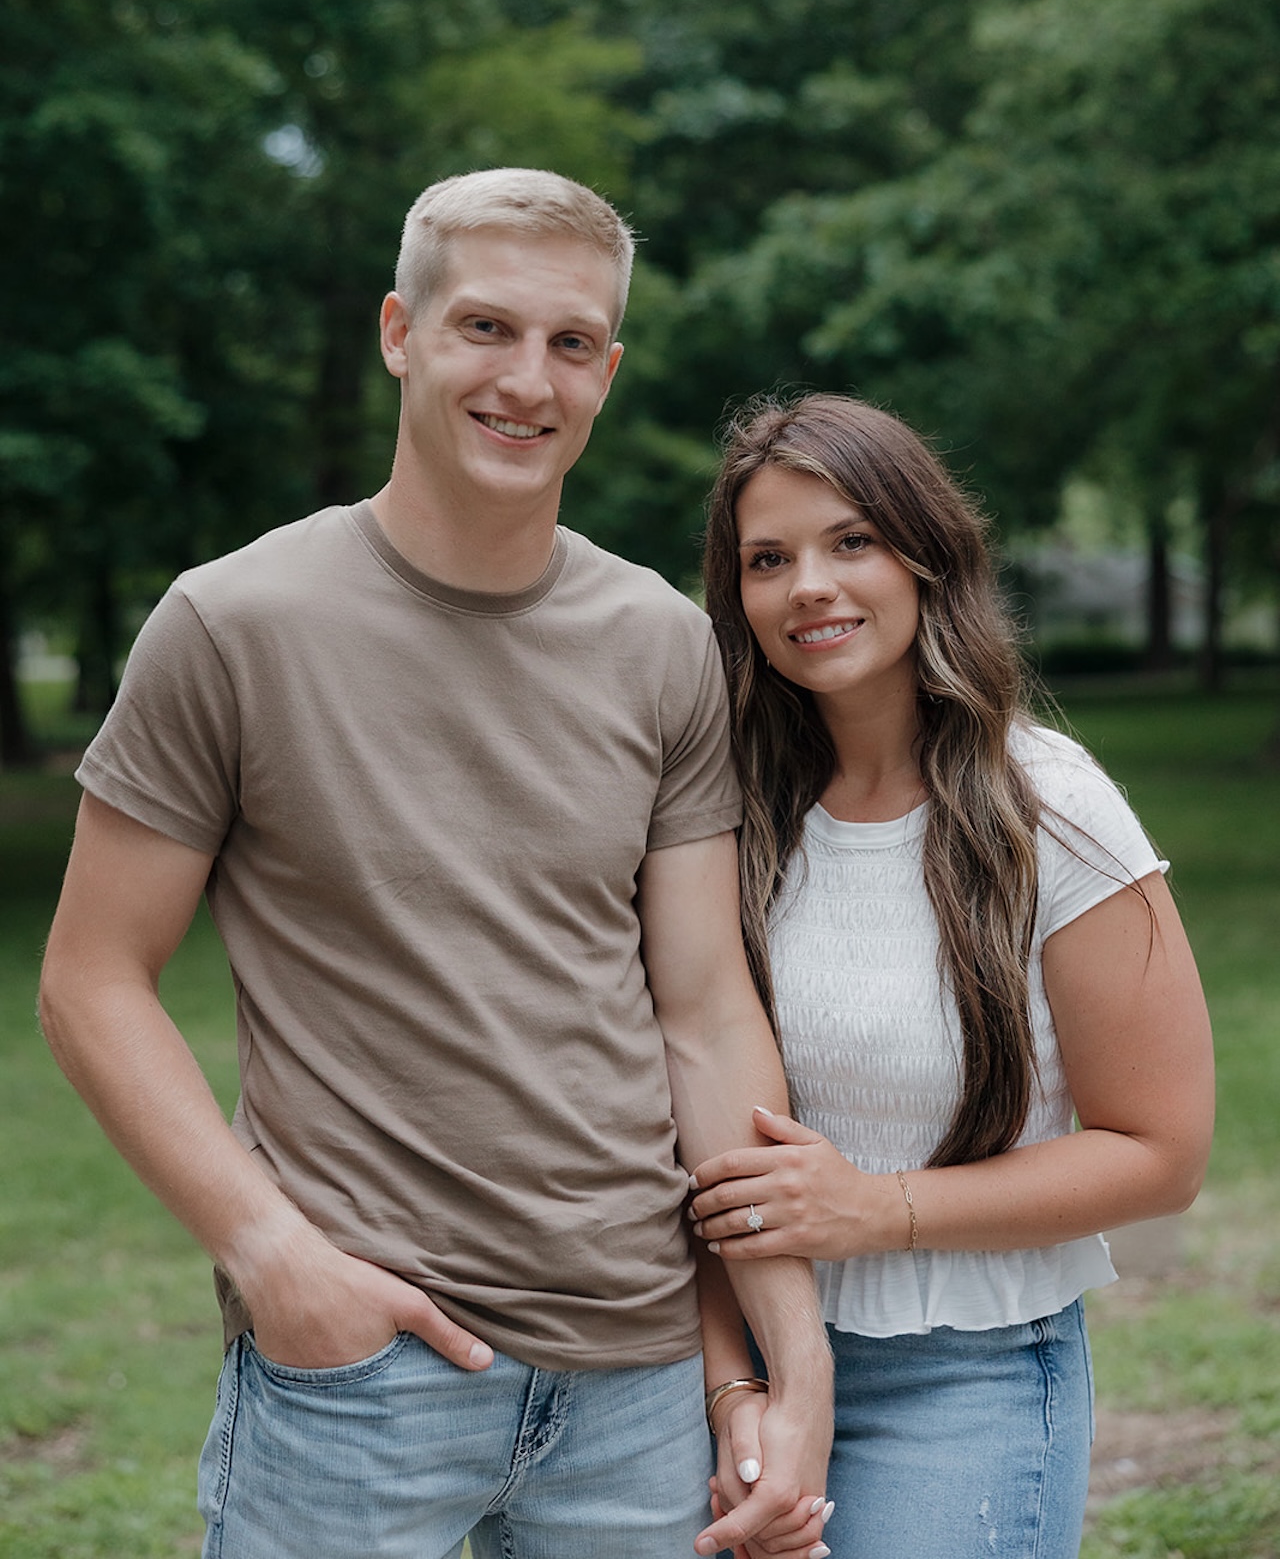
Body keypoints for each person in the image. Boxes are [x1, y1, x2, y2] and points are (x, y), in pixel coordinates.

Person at [38, 171, 833, 1559]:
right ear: (401, 332)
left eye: (572, 343)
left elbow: (704, 1015)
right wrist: (274, 1256)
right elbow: (90, 980)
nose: (529, 379)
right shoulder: (233, 625)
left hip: (637, 1374)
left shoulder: (658, 644)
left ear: (608, 370)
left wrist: (785, 1358)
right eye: (486, 329)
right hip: (364, 1377)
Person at [688, 393, 1215, 1559]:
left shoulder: (1049, 808)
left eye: (849, 542)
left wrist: (875, 1210)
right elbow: (694, 1126)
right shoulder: (722, 814)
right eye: (766, 561)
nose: (807, 587)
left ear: (927, 556)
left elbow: (1160, 1154)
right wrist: (737, 1393)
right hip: (724, 1363)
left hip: (964, 1381)